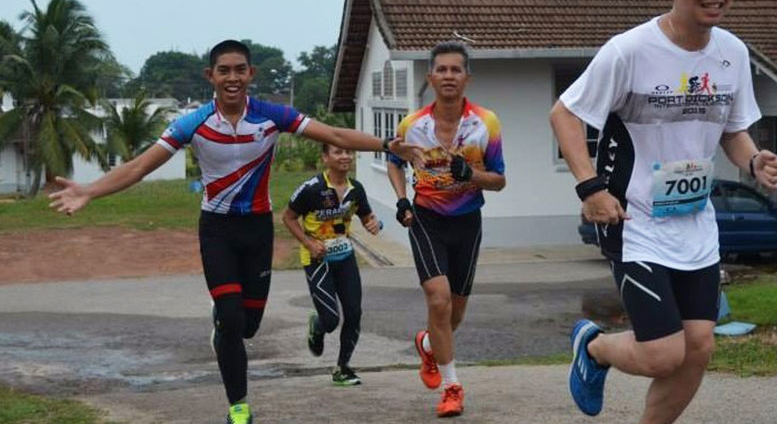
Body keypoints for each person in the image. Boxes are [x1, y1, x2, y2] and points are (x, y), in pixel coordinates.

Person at [49, 39, 420, 424]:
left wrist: (386, 144)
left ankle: (226, 327)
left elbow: (335, 136)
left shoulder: (271, 116)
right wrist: (90, 191)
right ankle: (239, 408)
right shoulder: (193, 123)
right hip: (218, 229)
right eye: (223, 70)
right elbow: (140, 166)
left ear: (251, 74)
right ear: (210, 76)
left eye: (240, 70)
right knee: (230, 317)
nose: (232, 77)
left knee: (248, 326)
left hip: (257, 229)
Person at [550, 0, 777, 423]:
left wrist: (754, 160)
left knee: (698, 348)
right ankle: (593, 346)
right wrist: (590, 188)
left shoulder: (732, 53)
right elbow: (564, 114)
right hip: (634, 221)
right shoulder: (630, 51)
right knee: (663, 353)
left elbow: (731, 131)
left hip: (694, 222)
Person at [387, 40, 506, 418]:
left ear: (467, 77)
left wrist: (471, 174)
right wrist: (402, 199)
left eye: (456, 70)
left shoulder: (486, 123)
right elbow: (393, 160)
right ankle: (452, 387)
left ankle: (428, 346)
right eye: (442, 69)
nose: (449, 76)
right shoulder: (412, 125)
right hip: (426, 219)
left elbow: (499, 180)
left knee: (454, 315)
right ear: (431, 77)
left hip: (468, 222)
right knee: (438, 301)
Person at [282, 143, 380, 386]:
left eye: (348, 152)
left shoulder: (356, 189)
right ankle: (318, 324)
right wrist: (308, 243)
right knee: (331, 320)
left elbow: (367, 216)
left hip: (345, 258)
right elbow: (288, 217)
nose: (345, 156)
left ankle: (342, 369)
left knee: (354, 314)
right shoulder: (311, 189)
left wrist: (373, 223)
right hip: (317, 260)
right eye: (338, 152)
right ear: (325, 158)